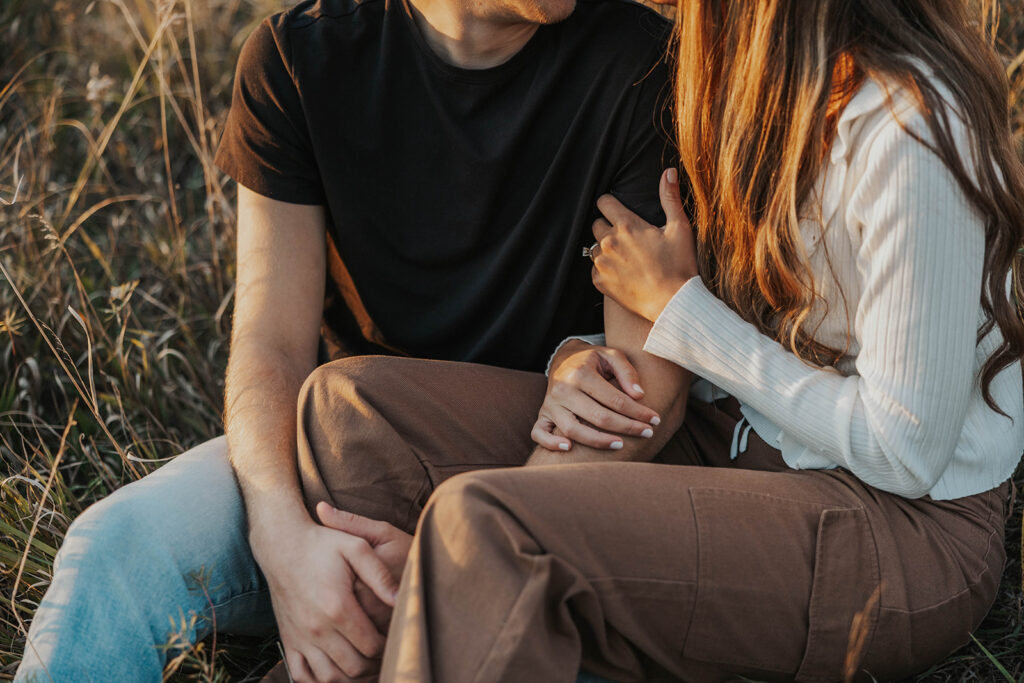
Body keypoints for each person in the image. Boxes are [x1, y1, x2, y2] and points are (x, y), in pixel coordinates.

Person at [291, 0, 1024, 680]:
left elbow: (903, 450)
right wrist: (577, 356)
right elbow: (748, 330)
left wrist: (684, 314)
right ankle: (424, 636)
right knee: (351, 405)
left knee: (480, 525)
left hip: (899, 525)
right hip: (735, 436)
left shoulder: (911, 128)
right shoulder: (739, 70)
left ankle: (453, 618)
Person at [14, 0, 679, 679]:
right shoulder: (298, 57)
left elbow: (641, 392)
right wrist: (282, 539)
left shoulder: (644, 63)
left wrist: (444, 564)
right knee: (111, 551)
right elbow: (269, 342)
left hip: (539, 475)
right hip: (341, 465)